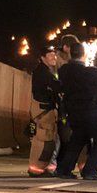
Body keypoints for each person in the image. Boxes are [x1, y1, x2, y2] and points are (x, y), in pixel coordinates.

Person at [55, 42, 97, 180]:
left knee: (77, 139)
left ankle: (64, 169)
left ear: (70, 54)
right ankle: (90, 170)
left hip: (73, 113)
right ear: (84, 54)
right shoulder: (92, 72)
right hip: (92, 113)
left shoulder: (64, 72)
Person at [28, 45, 61, 177]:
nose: (54, 57)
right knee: (43, 140)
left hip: (45, 110)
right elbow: (56, 86)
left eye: (54, 54)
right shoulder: (43, 72)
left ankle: (40, 168)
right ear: (42, 58)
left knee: (47, 139)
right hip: (44, 110)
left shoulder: (45, 71)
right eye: (50, 55)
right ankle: (36, 170)